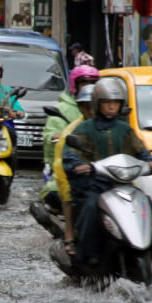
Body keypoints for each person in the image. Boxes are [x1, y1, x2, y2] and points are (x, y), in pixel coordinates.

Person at [62, 78, 152, 265]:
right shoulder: (85, 128)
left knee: (145, 202)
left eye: (115, 102)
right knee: (91, 206)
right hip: (94, 185)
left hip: (122, 183)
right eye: (107, 102)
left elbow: (141, 150)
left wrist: (151, 162)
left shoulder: (125, 129)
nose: (111, 106)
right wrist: (79, 165)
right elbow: (70, 154)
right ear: (97, 103)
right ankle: (88, 253)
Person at [48, 84, 96, 245]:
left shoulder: (117, 126)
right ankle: (70, 233)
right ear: (81, 108)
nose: (91, 111)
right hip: (80, 175)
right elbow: (63, 160)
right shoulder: (72, 130)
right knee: (70, 194)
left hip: (108, 174)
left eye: (94, 106)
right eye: (87, 107)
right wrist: (78, 167)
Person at [42, 65, 100, 176]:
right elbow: (51, 135)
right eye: (84, 84)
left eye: (93, 84)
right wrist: (59, 136)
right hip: (67, 165)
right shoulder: (61, 109)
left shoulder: (103, 107)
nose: (88, 88)